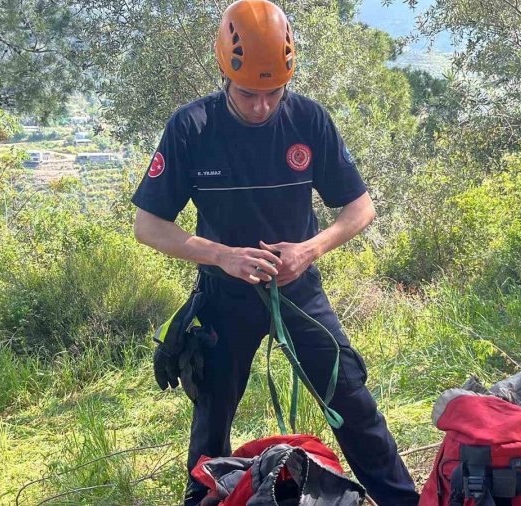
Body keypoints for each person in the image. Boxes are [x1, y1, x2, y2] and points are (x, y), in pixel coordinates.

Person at [129, 1, 420, 504]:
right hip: (224, 296)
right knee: (212, 418)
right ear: (225, 70)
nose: (262, 106)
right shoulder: (192, 128)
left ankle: (402, 500)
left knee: (351, 399)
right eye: (248, 93)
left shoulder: (307, 119)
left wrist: (310, 249)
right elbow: (148, 225)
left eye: (273, 93)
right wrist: (222, 256)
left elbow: (360, 207)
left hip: (299, 291)